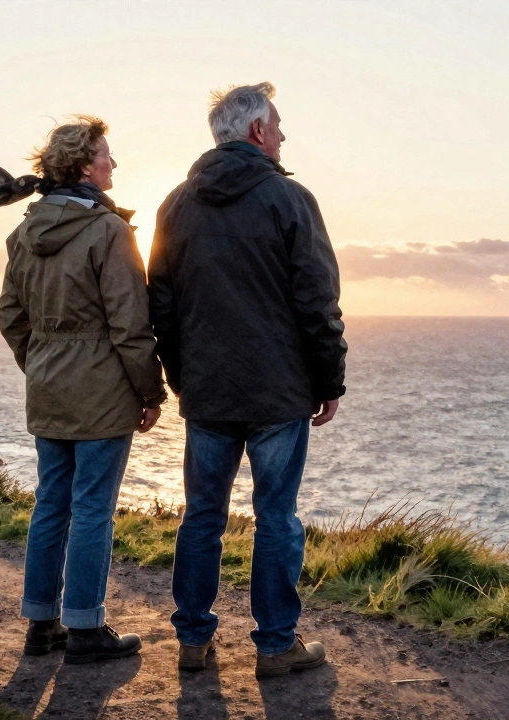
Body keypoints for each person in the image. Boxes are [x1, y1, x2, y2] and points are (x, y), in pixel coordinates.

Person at [149, 83, 347, 678]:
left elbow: (160, 305)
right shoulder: (290, 199)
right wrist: (329, 379)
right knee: (276, 519)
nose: (284, 135)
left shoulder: (175, 204)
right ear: (257, 131)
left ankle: (192, 639)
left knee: (202, 516)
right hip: (277, 392)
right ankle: (276, 645)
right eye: (279, 124)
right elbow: (318, 300)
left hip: (207, 390)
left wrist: (182, 376)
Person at [0, 116, 167, 664]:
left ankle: (40, 626)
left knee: (50, 505)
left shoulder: (24, 232)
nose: (113, 164)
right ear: (82, 166)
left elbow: (10, 315)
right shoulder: (108, 231)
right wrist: (152, 392)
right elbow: (129, 324)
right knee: (93, 508)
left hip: (49, 385)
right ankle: (87, 630)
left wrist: (40, 362)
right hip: (102, 391)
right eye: (106, 156)